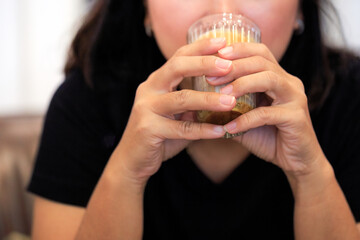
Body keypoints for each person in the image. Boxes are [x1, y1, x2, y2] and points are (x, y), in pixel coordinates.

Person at [28, 0, 360, 239]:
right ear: (145, 9)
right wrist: (127, 173)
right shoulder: (85, 101)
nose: (224, 13)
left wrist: (309, 173)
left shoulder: (351, 97)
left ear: (301, 9)